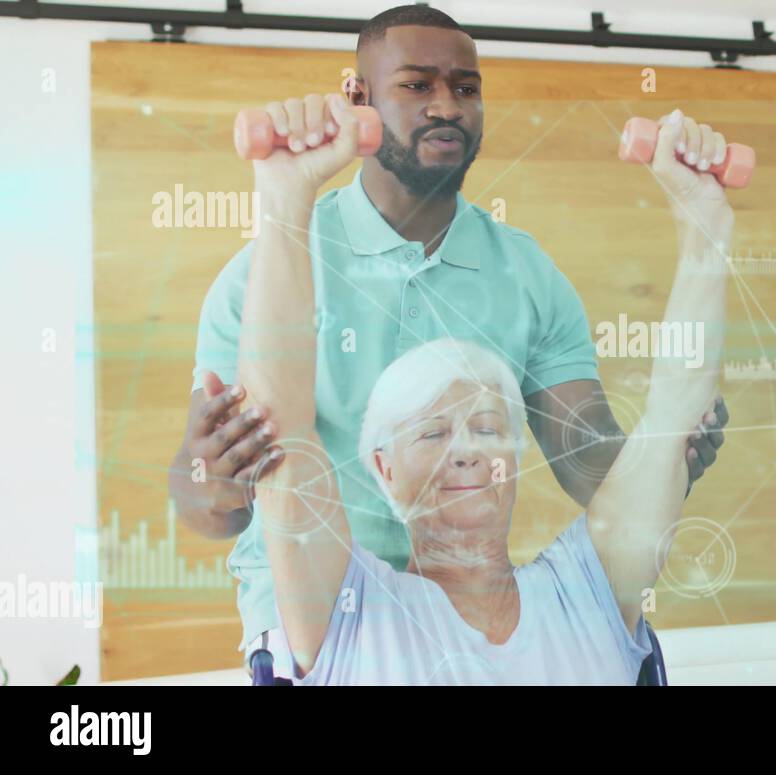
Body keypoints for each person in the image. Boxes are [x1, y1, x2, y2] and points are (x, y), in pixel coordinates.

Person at [165, 4, 729, 677]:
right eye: (417, 85)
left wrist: (665, 457)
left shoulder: (526, 274)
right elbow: (242, 478)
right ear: (359, 97)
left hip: (478, 605)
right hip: (329, 613)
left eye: (466, 88)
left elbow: (592, 461)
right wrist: (212, 475)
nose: (447, 106)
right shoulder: (266, 274)